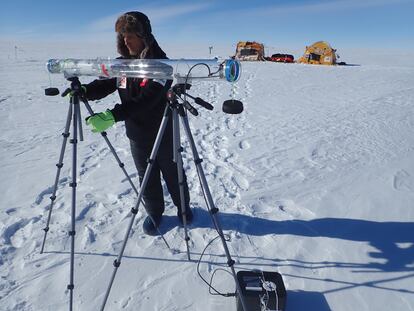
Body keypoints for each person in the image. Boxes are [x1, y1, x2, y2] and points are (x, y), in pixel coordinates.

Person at [83, 11, 192, 235]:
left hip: (163, 131)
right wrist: (85, 91)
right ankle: (155, 213)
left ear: (144, 36)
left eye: (130, 35)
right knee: (147, 177)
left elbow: (149, 99)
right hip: (137, 134)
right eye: (123, 36)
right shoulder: (123, 64)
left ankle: (183, 209)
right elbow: (105, 84)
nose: (126, 40)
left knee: (173, 174)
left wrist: (113, 115)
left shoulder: (160, 63)